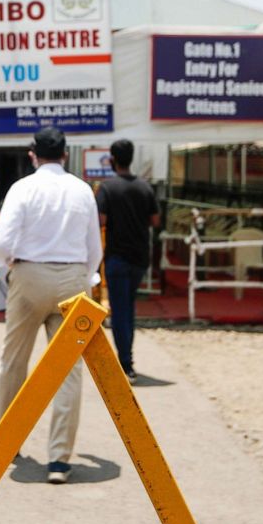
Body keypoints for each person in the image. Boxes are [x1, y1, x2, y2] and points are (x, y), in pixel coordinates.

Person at [0, 126, 102, 484]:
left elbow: (2, 240)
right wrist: (90, 277)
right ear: (65, 154)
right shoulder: (82, 190)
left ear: (32, 154)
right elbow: (94, 247)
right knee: (68, 369)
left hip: (30, 276)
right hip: (72, 279)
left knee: (13, 360)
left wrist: (2, 262)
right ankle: (59, 459)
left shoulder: (23, 188)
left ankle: (9, 441)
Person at [96, 139, 160, 384]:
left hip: (117, 258)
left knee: (120, 311)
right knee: (128, 309)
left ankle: (126, 363)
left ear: (112, 159)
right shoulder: (145, 188)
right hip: (139, 258)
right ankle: (126, 358)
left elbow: (100, 220)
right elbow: (155, 221)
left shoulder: (107, 188)